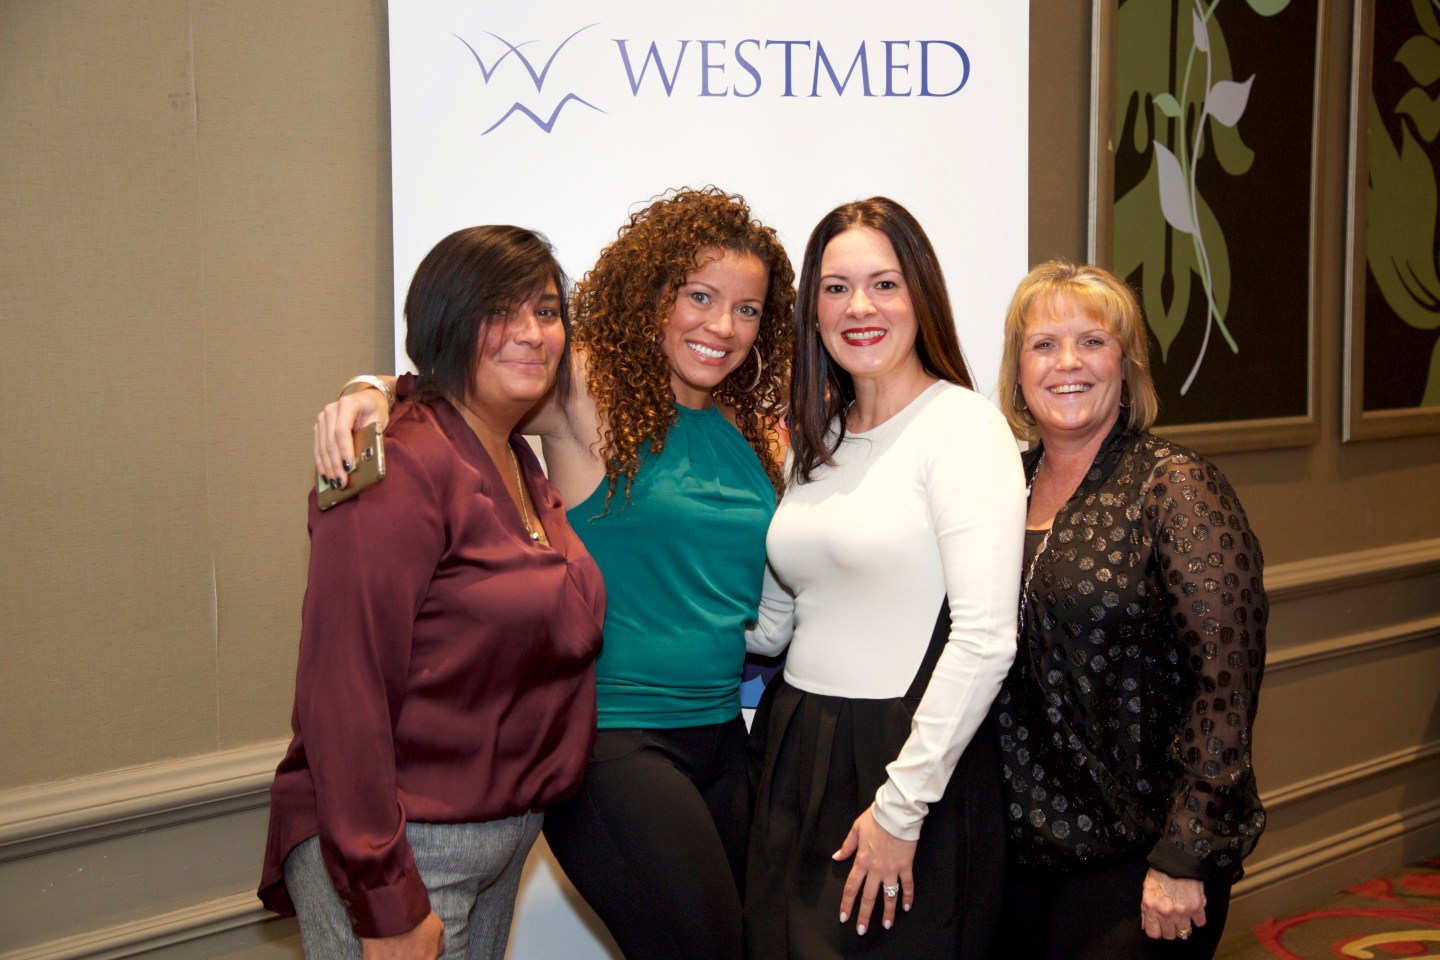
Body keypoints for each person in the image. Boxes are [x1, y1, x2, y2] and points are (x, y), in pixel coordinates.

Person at [311, 187, 795, 960]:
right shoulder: (589, 389)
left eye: (747, 310)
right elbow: (461, 384)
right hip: (612, 740)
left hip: (719, 738)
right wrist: (365, 391)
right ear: (654, 294)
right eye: (700, 297)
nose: (722, 326)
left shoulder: (751, 426)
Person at [258, 225, 606, 959]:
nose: (531, 333)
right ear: (446, 322)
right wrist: (384, 899)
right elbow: (344, 688)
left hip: (500, 836)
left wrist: (374, 384)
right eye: (499, 311)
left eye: (546, 311)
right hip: (399, 849)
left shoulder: (515, 455)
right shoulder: (394, 466)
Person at [743, 197, 1026, 959]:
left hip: (901, 759)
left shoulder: (963, 426)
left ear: (920, 295)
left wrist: (902, 808)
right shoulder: (816, 439)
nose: (859, 308)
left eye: (884, 284)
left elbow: (986, 639)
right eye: (836, 288)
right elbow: (773, 624)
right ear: (812, 311)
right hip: (794, 741)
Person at [991, 260, 1267, 959]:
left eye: (1092, 341)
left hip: (1140, 858)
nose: (1068, 363)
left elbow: (1225, 686)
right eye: (1044, 344)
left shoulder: (1175, 487)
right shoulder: (999, 488)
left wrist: (1186, 853)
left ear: (1126, 363)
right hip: (1011, 853)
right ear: (1018, 370)